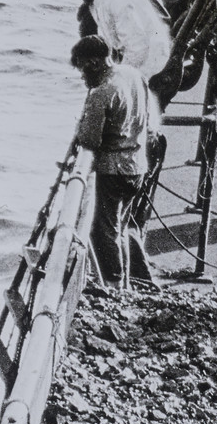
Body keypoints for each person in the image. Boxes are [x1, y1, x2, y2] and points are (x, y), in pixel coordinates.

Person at [61, 35, 155, 292]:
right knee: (120, 227)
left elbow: (90, 138)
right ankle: (122, 283)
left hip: (114, 171)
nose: (82, 76)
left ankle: (113, 285)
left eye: (82, 68)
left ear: (92, 63)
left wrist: (81, 127)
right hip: (138, 166)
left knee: (104, 231)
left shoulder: (102, 92)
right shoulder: (132, 75)